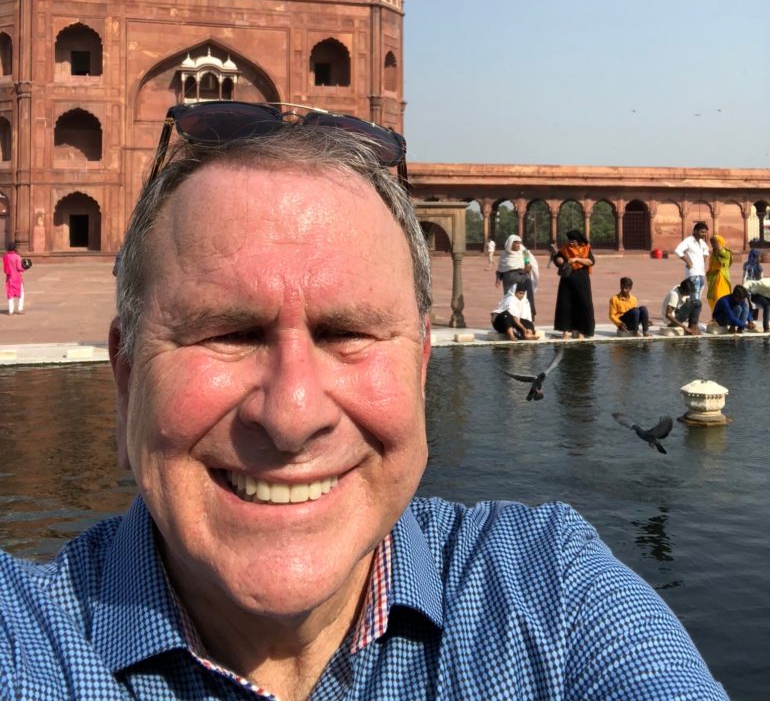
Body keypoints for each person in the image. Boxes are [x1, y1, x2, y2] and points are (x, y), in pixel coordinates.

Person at [0, 105, 728, 699]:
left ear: (418, 372)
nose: (291, 413)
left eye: (347, 333)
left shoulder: (549, 597)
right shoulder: (28, 645)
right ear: (125, 377)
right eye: (228, 332)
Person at [551, 229, 595, 339]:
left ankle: (582, 331)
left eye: (573, 241)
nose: (571, 243)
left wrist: (576, 259)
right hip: (567, 279)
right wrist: (559, 260)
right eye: (570, 241)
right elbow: (557, 258)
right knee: (565, 304)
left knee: (583, 303)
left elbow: (591, 262)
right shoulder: (565, 248)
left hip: (582, 279)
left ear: (579, 240)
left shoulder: (586, 248)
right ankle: (565, 331)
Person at [495, 233, 536, 318]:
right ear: (510, 243)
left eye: (519, 243)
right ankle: (512, 321)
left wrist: (528, 267)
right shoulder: (504, 255)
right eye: (516, 243)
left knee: (526, 300)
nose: (518, 245)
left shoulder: (524, 252)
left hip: (523, 279)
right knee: (511, 301)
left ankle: (527, 319)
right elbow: (500, 269)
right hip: (509, 281)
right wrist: (498, 279)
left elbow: (528, 264)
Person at [674, 221, 710, 300]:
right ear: (695, 231)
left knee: (699, 294)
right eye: (702, 232)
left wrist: (702, 260)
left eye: (705, 232)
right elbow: (678, 250)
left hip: (701, 272)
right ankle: (692, 311)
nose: (704, 234)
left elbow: (706, 250)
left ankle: (694, 310)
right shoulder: (689, 241)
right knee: (694, 296)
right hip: (693, 273)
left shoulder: (701, 242)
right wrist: (688, 261)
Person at [706, 234, 732, 312]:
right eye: (712, 243)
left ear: (720, 243)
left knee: (720, 296)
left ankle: (722, 315)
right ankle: (715, 316)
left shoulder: (725, 252)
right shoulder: (714, 253)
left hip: (721, 278)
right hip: (713, 278)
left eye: (715, 243)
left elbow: (723, 253)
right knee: (712, 297)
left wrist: (719, 247)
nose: (713, 245)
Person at [2, 242, 24, 316]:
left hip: (9, 277)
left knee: (10, 294)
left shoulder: (5, 256)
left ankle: (11, 311)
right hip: (17, 277)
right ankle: (20, 309)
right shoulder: (17, 257)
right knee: (21, 293)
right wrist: (24, 268)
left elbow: (5, 269)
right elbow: (19, 267)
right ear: (15, 248)